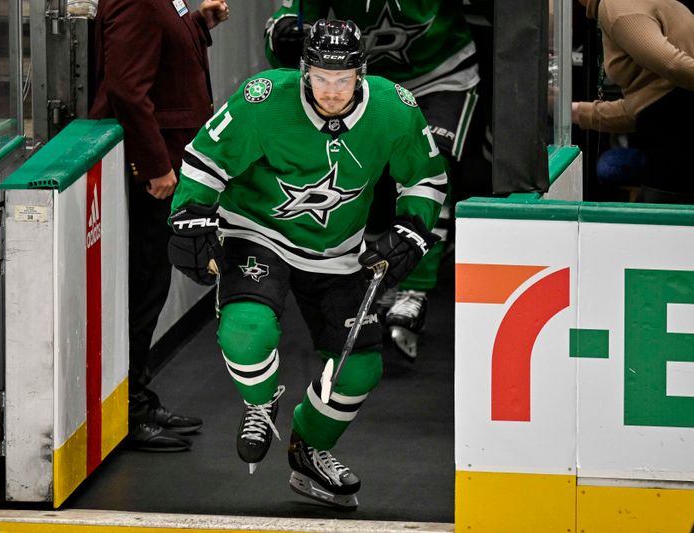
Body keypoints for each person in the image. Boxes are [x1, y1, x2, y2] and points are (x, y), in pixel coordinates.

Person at [167, 19, 444, 508]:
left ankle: (308, 448)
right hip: (257, 230)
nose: (331, 91)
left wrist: (412, 230)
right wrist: (189, 213)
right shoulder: (263, 98)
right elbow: (206, 159)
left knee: (360, 370)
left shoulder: (393, 109)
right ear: (303, 71)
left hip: (338, 249)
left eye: (342, 80)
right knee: (247, 330)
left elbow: (425, 178)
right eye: (320, 78)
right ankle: (263, 399)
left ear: (361, 73)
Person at [263, 0, 493, 361]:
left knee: (432, 168)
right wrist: (282, 34)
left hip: (441, 74)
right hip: (364, 85)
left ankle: (414, 289)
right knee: (359, 178)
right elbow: (287, 25)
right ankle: (374, 277)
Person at [88, 0, 230, 452]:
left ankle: (137, 397)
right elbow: (127, 89)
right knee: (142, 288)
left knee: (150, 286)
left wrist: (198, 23)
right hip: (151, 172)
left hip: (164, 164)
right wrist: (155, 166)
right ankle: (127, 409)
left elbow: (164, 51)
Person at [572, 0, 694, 205]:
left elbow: (670, 64)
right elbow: (648, 102)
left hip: (687, 144)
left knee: (662, 228)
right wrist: (577, 112)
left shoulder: (616, 7)